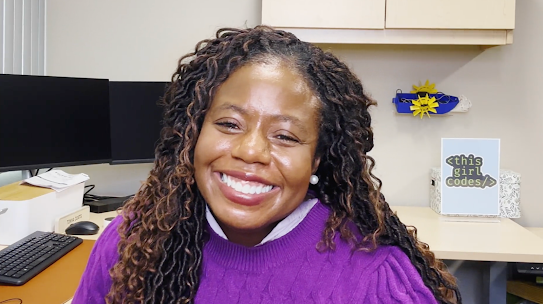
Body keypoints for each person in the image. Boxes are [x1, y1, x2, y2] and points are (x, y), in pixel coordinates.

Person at [73, 26, 461, 304]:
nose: (251, 151)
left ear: (317, 159)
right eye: (228, 124)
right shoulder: (131, 240)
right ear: (193, 134)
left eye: (285, 136)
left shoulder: (376, 279)